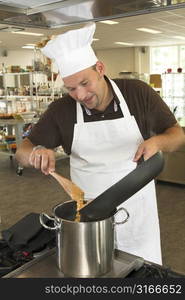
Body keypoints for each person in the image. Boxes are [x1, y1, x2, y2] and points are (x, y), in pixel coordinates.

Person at [15, 22, 185, 265]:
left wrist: (158, 141)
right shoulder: (62, 110)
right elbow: (23, 150)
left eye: (85, 84)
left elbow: (177, 135)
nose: (80, 96)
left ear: (100, 68)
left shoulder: (137, 93)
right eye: (71, 88)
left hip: (137, 215)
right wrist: (37, 152)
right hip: (88, 223)